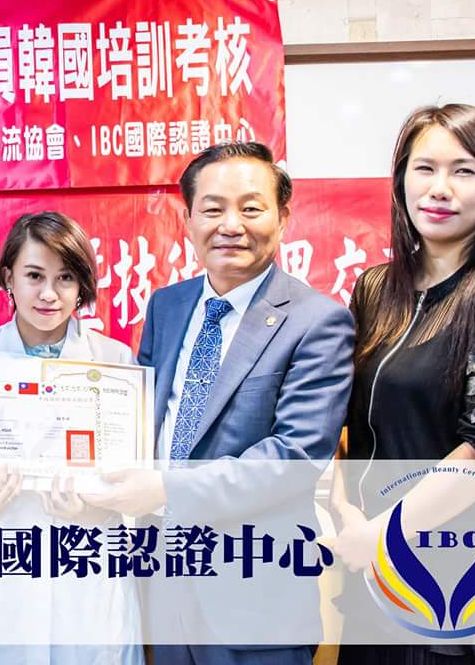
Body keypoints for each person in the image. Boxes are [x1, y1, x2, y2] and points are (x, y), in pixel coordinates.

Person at [84, 142, 356, 665]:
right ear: (187, 220)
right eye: (212, 209)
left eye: (251, 208)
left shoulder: (317, 321)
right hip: (163, 577)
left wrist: (164, 488)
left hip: (255, 592)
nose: (231, 225)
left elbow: (295, 455)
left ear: (283, 217)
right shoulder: (167, 306)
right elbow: (140, 421)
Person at [331, 104, 475, 664]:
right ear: (402, 178)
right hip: (371, 569)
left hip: (457, 576)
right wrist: (343, 509)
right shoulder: (375, 289)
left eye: (463, 171)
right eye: (425, 168)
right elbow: (344, 419)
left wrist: (379, 536)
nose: (440, 188)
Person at [0, 211, 144, 665]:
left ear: (82, 285)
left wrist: (92, 509)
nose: (49, 293)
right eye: (34, 276)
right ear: (8, 277)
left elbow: (134, 480)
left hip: (86, 568)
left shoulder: (116, 362)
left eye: (65, 277)